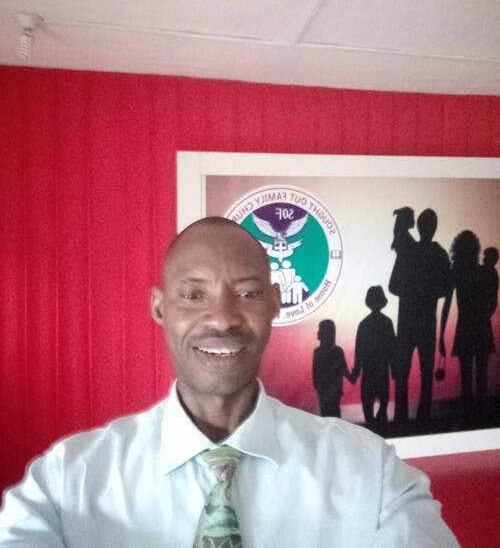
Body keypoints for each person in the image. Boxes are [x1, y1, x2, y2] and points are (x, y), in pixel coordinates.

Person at [0, 217, 458, 546]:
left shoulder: (371, 473)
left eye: (247, 293)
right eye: (192, 294)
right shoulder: (68, 482)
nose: (221, 318)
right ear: (159, 307)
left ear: (275, 303)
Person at [390, 208, 451, 424]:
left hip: (408, 322)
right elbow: (446, 290)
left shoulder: (410, 252)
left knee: (404, 374)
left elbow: (393, 286)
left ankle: (401, 418)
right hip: (426, 324)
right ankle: (421, 419)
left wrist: (412, 291)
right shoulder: (439, 254)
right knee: (425, 375)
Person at [440, 232, 496, 421]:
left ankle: (470, 416)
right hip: (481, 326)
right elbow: (492, 303)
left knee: (467, 378)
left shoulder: (456, 273)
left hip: (465, 327)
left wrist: (441, 335)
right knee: (481, 376)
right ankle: (479, 416)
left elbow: (447, 305)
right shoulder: (484, 272)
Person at [352, 286, 396, 428]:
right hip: (382, 369)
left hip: (369, 370)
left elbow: (359, 350)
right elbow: (392, 347)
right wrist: (394, 368)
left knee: (368, 405)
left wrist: (356, 370)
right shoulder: (387, 322)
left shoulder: (363, 324)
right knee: (383, 402)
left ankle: (373, 426)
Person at [312, 319, 354, 418]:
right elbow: (345, 372)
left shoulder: (317, 352)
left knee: (326, 417)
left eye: (320, 329)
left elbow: (315, 374)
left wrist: (318, 388)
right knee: (335, 416)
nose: (318, 332)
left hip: (323, 392)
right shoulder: (337, 351)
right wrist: (354, 375)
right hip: (334, 393)